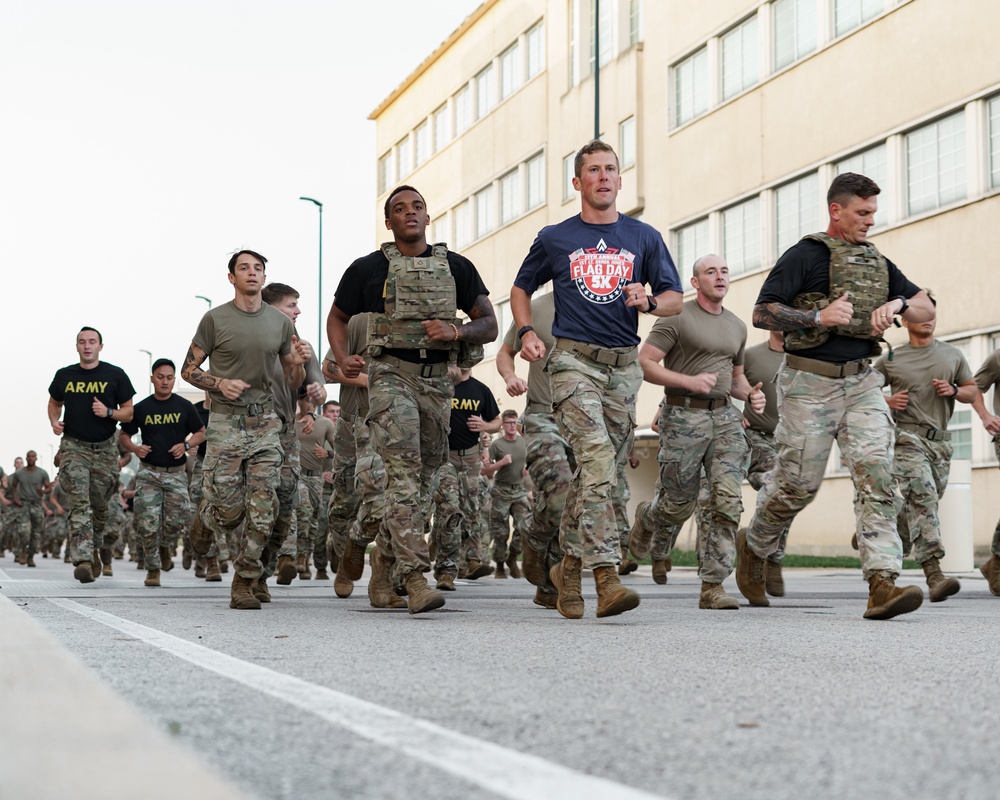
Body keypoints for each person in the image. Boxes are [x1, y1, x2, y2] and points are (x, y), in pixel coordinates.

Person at [735, 172, 935, 620]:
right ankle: (755, 544)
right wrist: (817, 315)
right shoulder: (806, 255)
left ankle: (881, 583)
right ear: (836, 210)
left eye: (873, 213)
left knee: (877, 476)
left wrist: (899, 305)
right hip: (810, 383)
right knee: (798, 485)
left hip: (863, 382)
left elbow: (927, 307)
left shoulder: (877, 262)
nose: (870, 221)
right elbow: (762, 311)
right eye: (862, 213)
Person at [510, 139, 683, 619]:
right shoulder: (556, 237)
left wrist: (648, 301)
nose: (603, 177)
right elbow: (521, 287)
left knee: (594, 474)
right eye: (593, 170)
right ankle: (605, 575)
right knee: (598, 458)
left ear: (620, 180)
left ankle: (567, 566)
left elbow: (675, 298)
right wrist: (526, 331)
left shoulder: (644, 237)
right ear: (578, 183)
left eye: (611, 169)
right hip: (572, 364)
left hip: (624, 370)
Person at [328, 184, 497, 614]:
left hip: (439, 382)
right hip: (390, 376)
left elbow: (489, 324)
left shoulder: (457, 267)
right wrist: (346, 355)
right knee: (403, 475)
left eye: (417, 206)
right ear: (389, 222)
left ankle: (376, 561)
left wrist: (456, 332)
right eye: (399, 209)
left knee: (421, 486)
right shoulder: (368, 269)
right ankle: (415, 577)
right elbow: (338, 316)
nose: (410, 213)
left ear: (427, 216)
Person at [628, 254, 765, 609]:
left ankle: (712, 586)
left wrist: (751, 394)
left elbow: (735, 378)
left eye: (724, 270)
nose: (720, 276)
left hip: (724, 420)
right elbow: (645, 363)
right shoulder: (676, 317)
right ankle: (647, 517)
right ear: (695, 282)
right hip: (683, 417)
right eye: (710, 271)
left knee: (727, 500)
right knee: (676, 505)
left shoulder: (736, 325)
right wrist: (688, 381)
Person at [181, 249, 309, 610]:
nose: (252, 273)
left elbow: (293, 379)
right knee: (230, 511)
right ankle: (206, 518)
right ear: (231, 278)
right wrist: (219, 383)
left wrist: (299, 365)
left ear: (264, 278)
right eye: (244, 268)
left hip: (265, 422)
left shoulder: (281, 324)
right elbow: (188, 370)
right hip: (224, 422)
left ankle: (245, 579)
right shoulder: (214, 319)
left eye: (258, 269)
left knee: (265, 503)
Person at [496, 291, 572, 609]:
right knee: (559, 493)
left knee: (579, 502)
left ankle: (551, 584)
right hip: (544, 415)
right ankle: (535, 536)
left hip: (590, 417)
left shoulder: (606, 306)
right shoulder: (536, 308)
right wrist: (510, 375)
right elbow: (505, 352)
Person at [48, 326, 135, 583]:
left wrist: (108, 412)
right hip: (74, 447)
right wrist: (54, 421)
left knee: (99, 507)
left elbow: (128, 413)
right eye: (82, 342)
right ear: (76, 346)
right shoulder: (64, 375)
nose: (87, 346)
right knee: (80, 503)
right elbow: (54, 402)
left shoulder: (115, 375)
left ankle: (94, 548)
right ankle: (83, 559)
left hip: (105, 449)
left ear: (100, 346)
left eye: (92, 342)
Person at [118, 358, 206, 587]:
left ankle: (166, 545)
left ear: (174, 380)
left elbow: (201, 432)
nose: (164, 381)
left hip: (176, 474)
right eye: (160, 377)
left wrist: (186, 445)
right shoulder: (142, 407)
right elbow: (124, 436)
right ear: (152, 379)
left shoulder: (184, 406)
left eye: (169, 377)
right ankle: (153, 569)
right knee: (147, 523)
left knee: (177, 520)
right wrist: (135, 448)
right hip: (148, 473)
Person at [262, 282, 327, 584]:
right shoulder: (248, 341)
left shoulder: (301, 346)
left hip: (285, 431)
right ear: (272, 308)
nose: (298, 310)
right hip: (251, 430)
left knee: (287, 497)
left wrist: (314, 398)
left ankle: (281, 560)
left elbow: (318, 392)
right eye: (291, 305)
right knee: (254, 501)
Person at [431, 366, 500, 588]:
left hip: (471, 458)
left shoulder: (481, 390)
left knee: (473, 510)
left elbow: (496, 421)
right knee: (450, 510)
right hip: (444, 457)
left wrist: (485, 426)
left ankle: (472, 561)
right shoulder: (442, 384)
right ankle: (446, 571)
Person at [739, 330, 788, 595]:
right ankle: (766, 556)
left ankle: (769, 557)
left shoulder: (805, 358)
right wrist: (734, 412)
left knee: (786, 496)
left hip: (791, 442)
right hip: (757, 438)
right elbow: (727, 382)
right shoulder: (751, 355)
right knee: (777, 485)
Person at [483, 410, 530, 579]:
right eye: (509, 423)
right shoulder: (497, 445)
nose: (512, 426)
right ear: (503, 425)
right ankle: (501, 566)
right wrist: (501, 463)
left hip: (519, 490)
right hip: (501, 491)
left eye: (514, 422)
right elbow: (485, 469)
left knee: (523, 527)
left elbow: (531, 460)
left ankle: (512, 558)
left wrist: (527, 469)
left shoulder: (524, 442)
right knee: (500, 532)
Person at [295, 398, 337, 580]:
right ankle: (296, 557)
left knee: (314, 522)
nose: (309, 404)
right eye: (305, 400)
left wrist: (328, 453)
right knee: (303, 513)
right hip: (296, 476)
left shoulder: (325, 424)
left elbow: (343, 450)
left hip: (316, 477)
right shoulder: (289, 421)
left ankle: (305, 559)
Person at [971, 347, 1000, 595]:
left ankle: (995, 563)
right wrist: (986, 416)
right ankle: (998, 563)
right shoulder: (998, 357)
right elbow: (973, 388)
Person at [8, 451, 53, 567]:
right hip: (23, 504)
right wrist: (15, 498)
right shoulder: (19, 473)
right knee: (23, 531)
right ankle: (23, 550)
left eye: (33, 456)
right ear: (26, 458)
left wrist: (42, 491)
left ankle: (30, 556)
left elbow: (49, 488)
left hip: (37, 504)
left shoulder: (42, 473)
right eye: (29, 457)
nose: (31, 458)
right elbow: (13, 487)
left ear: (36, 458)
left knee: (36, 533)